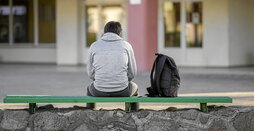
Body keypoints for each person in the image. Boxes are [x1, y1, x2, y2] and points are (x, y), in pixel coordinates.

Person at [86, 21, 138, 109]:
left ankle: (90, 113)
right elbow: (132, 73)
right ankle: (133, 114)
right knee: (135, 87)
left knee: (89, 88)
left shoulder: (94, 46)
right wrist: (122, 80)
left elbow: (90, 73)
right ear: (119, 33)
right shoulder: (126, 46)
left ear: (105, 32)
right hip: (122, 90)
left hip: (99, 90)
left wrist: (102, 80)